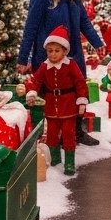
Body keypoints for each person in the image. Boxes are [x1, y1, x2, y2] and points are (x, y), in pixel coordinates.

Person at [18, 0, 103, 146]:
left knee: (77, 90)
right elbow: (30, 27)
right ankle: (51, 135)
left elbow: (84, 22)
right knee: (51, 95)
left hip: (73, 55)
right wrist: (23, 58)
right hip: (49, 55)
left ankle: (76, 133)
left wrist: (98, 43)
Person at [25, 27, 89, 176]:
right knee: (52, 133)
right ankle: (54, 158)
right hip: (51, 106)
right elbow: (36, 80)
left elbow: (80, 83)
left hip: (68, 105)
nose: (53, 54)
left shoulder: (70, 65)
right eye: (50, 51)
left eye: (57, 51)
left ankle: (69, 163)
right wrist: (32, 91)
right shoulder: (44, 66)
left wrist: (81, 102)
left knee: (68, 134)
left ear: (64, 51)